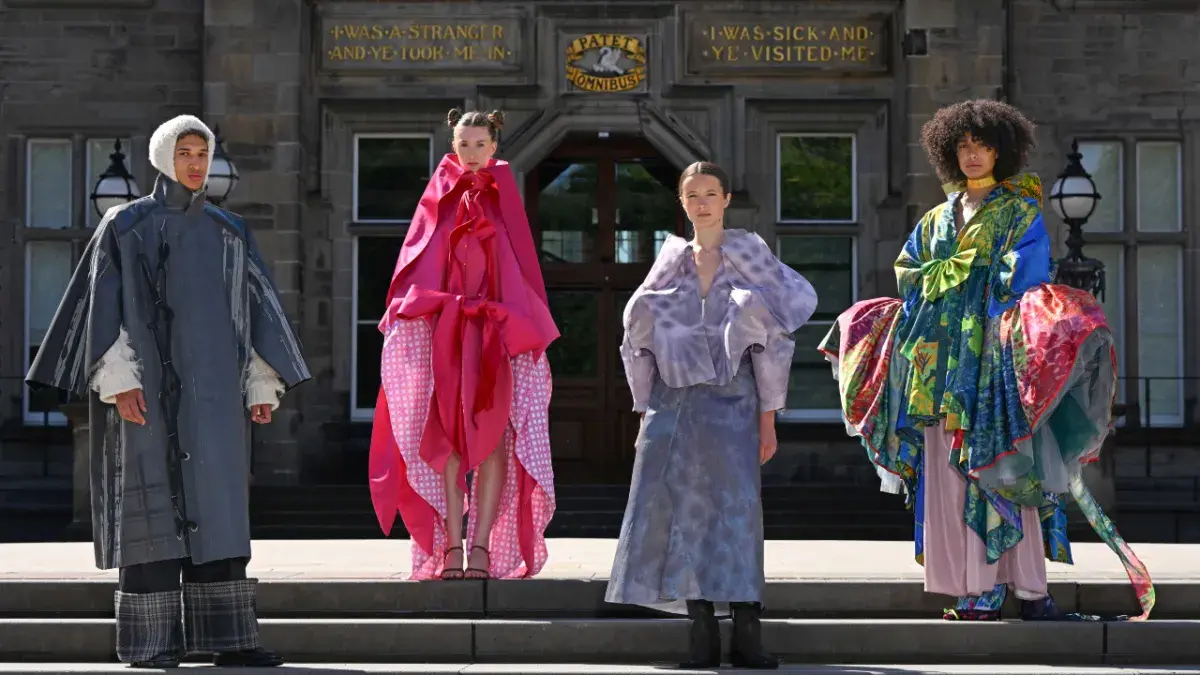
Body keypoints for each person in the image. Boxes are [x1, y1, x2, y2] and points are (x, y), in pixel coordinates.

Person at [818, 99, 1154, 622]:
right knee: (949, 472)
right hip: (938, 365)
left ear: (1002, 150)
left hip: (994, 360)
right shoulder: (934, 219)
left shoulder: (1020, 211)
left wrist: (977, 280)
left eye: (983, 145)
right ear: (951, 154)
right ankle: (975, 587)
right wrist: (946, 276)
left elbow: (1027, 278)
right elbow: (911, 273)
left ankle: (1024, 588)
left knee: (1003, 464)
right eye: (963, 146)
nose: (973, 155)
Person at [25, 114, 311, 668]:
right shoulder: (123, 225)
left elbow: (257, 308)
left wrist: (260, 381)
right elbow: (99, 306)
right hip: (146, 392)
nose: (196, 164)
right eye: (185, 153)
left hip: (214, 397)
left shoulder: (231, 232)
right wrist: (118, 379)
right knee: (150, 509)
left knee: (221, 510)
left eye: (202, 153)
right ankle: (153, 643)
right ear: (162, 157)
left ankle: (231, 640)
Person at [605, 161, 818, 669]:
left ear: (726, 200)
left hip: (734, 403)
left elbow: (773, 345)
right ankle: (700, 635)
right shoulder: (668, 265)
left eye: (710, 193)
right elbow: (635, 345)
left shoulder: (750, 257)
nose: (701, 202)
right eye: (692, 195)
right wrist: (642, 415)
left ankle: (747, 634)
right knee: (682, 515)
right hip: (672, 407)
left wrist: (769, 419)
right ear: (682, 203)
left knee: (739, 514)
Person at [369, 108, 559, 581]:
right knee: (450, 440)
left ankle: (480, 548)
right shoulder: (437, 195)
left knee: (494, 440)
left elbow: (521, 267)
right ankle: (451, 545)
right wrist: (406, 309)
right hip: (447, 333)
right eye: (463, 144)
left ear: (495, 146)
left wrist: (525, 327)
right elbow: (416, 254)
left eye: (480, 144)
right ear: (453, 145)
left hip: (494, 333)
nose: (471, 153)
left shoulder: (504, 196)